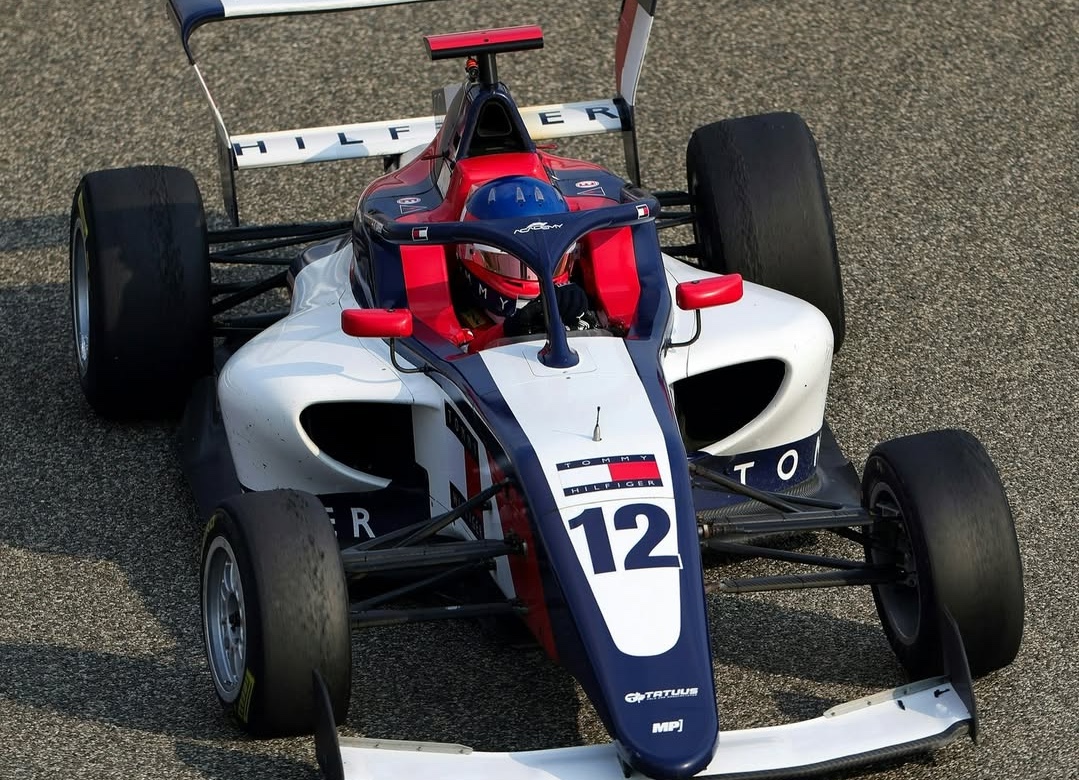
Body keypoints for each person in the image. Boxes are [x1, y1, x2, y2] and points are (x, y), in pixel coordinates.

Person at [453, 175, 593, 351]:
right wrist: (508, 331)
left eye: (555, 260)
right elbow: (455, 357)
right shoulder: (450, 320)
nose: (536, 276)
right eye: (515, 265)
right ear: (471, 254)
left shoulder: (576, 304)